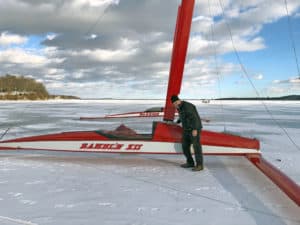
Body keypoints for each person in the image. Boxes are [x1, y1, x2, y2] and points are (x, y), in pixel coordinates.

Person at [171, 95, 203, 171]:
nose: (175, 105)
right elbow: (182, 116)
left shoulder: (187, 106)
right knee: (185, 146)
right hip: (186, 129)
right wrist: (177, 122)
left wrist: (195, 129)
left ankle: (199, 165)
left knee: (196, 147)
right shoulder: (179, 107)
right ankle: (190, 162)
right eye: (174, 104)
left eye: (175, 103)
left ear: (179, 100)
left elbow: (194, 117)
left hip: (193, 129)